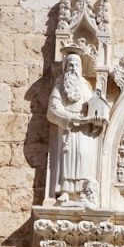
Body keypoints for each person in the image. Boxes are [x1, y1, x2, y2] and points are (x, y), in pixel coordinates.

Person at [47, 52, 109, 204]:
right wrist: (70, 117)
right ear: (65, 67)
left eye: (76, 65)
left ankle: (82, 191)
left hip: (84, 129)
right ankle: (66, 191)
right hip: (68, 127)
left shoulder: (86, 86)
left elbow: (93, 105)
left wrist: (97, 118)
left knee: (83, 156)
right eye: (70, 64)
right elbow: (53, 109)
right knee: (67, 158)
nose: (73, 68)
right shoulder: (60, 86)